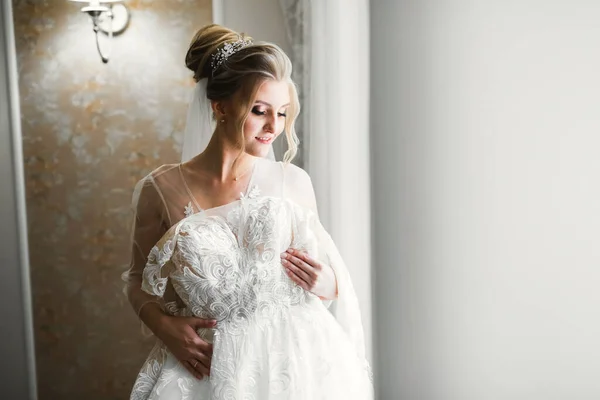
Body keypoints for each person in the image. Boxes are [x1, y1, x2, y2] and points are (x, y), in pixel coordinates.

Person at [123, 24, 373, 399]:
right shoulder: (160, 189)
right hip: (206, 368)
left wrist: (326, 283)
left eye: (283, 113)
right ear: (220, 106)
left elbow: (330, 278)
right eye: (260, 111)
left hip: (296, 365)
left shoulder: (294, 182)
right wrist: (164, 326)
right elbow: (135, 279)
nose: (274, 127)